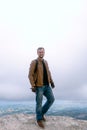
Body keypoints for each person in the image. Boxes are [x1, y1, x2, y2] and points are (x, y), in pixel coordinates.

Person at [28, 47, 55, 128]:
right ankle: (39, 119)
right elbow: (30, 75)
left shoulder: (45, 62)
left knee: (51, 99)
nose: (41, 53)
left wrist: (52, 81)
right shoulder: (34, 62)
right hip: (39, 86)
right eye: (40, 52)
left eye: (42, 52)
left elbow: (48, 72)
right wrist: (33, 85)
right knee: (39, 103)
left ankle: (41, 113)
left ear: (44, 53)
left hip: (47, 86)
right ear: (37, 53)